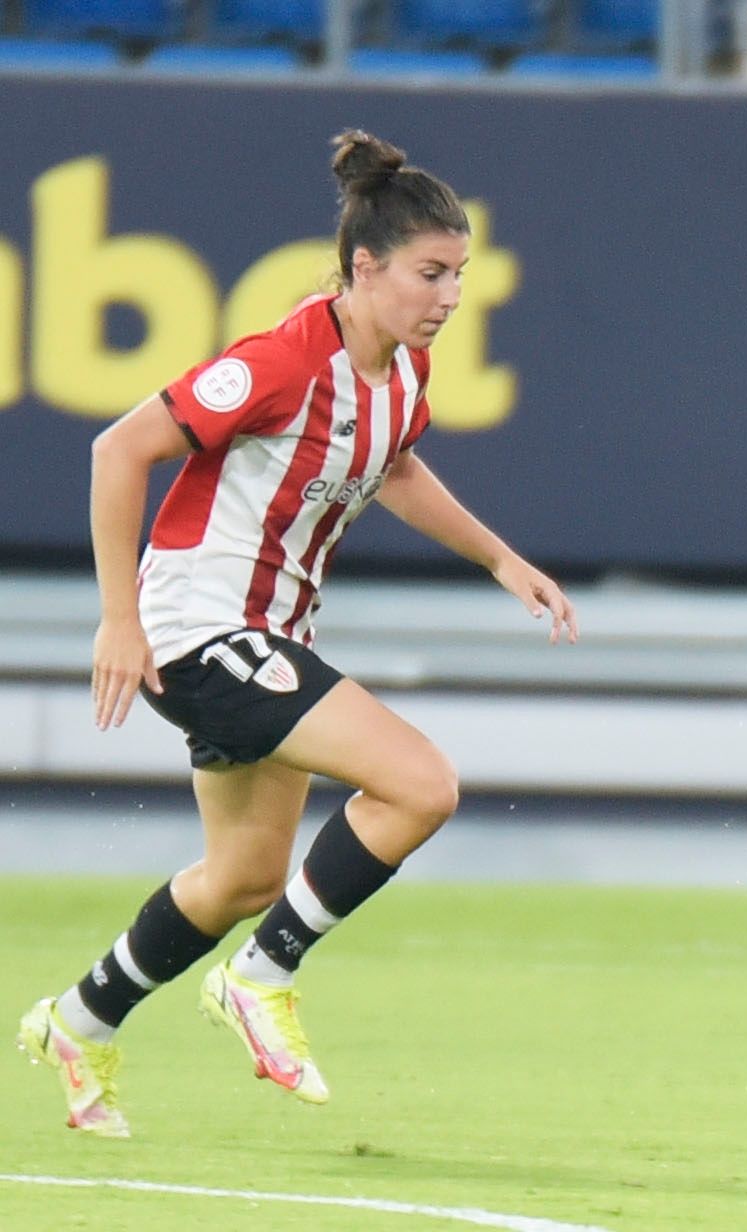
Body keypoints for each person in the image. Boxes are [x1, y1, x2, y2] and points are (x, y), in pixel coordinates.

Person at [15, 130, 577, 1138]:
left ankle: (78, 1017)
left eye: (460, 274)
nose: (449, 296)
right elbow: (119, 447)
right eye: (429, 273)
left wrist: (500, 557)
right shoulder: (279, 361)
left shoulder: (402, 374)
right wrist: (119, 617)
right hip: (199, 629)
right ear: (365, 266)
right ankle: (262, 974)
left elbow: (395, 467)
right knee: (419, 782)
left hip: (267, 635)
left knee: (242, 876)